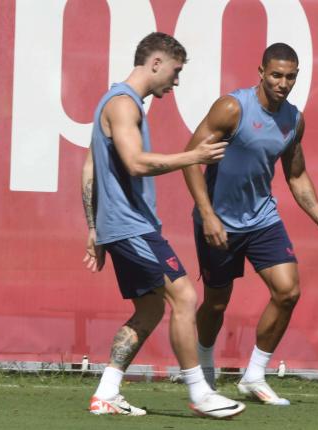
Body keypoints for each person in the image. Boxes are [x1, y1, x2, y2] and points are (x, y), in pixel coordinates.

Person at [81, 32, 245, 419]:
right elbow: (136, 163)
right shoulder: (123, 105)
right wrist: (194, 156)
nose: (176, 80)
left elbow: (89, 170)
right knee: (186, 297)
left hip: (119, 226)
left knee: (150, 309)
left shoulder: (117, 103)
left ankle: (106, 392)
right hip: (132, 227)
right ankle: (200, 391)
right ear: (155, 63)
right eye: (175, 71)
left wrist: (94, 228)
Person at [182, 42, 318, 406]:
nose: (282, 83)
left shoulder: (294, 119)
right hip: (220, 222)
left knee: (288, 291)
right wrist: (207, 214)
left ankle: (254, 375)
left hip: (262, 219)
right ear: (261, 72)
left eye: (289, 77)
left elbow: (297, 175)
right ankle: (206, 367)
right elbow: (191, 159)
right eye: (275, 75)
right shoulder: (232, 108)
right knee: (216, 304)